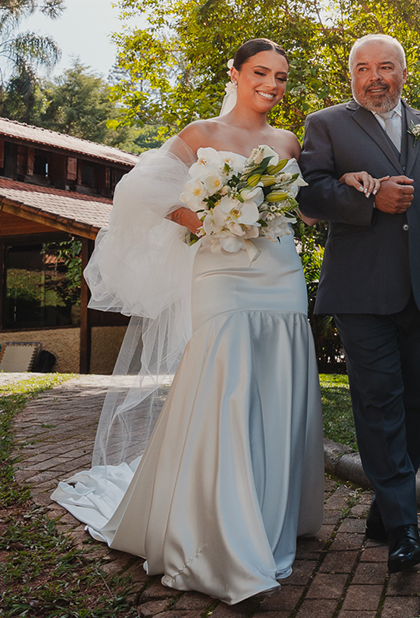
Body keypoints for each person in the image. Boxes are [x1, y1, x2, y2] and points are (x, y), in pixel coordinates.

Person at [52, 39, 324, 605]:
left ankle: (270, 509)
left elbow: (302, 205)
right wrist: (209, 219)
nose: (271, 85)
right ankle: (219, 532)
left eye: (280, 77)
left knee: (278, 384)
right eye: (260, 73)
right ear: (235, 73)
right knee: (224, 385)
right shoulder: (201, 134)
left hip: (279, 271)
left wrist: (351, 184)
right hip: (221, 273)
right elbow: (140, 190)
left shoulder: (287, 141)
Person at [298, 33, 420, 572]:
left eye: (385, 67)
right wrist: (367, 197)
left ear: (403, 71)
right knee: (379, 402)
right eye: (362, 68)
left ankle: (385, 514)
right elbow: (308, 194)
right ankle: (405, 526)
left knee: (416, 406)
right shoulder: (326, 124)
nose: (373, 77)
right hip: (361, 291)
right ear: (350, 76)